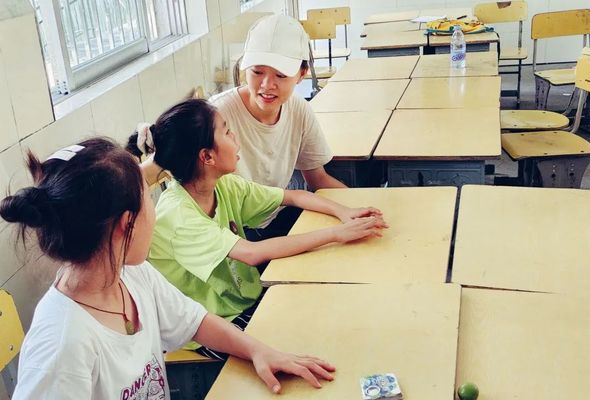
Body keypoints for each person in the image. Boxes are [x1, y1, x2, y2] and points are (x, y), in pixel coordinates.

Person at [0, 138, 336, 398]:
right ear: (127, 224)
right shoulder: (62, 345)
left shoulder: (130, 275)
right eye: (149, 199)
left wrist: (259, 351)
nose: (157, 209)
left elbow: (195, 321)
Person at [130, 99, 387, 359]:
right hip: (210, 324)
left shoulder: (223, 185)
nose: (235, 137)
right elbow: (252, 253)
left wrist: (343, 212)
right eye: (227, 132)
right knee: (309, 341)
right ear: (207, 156)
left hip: (243, 297)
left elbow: (293, 196)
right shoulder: (178, 215)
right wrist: (335, 234)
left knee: (320, 310)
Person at [218, 14, 348, 239]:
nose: (267, 85)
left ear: (301, 74)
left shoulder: (298, 110)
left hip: (275, 217)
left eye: (280, 75)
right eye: (257, 72)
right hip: (234, 233)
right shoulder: (217, 115)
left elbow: (317, 179)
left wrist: (362, 205)